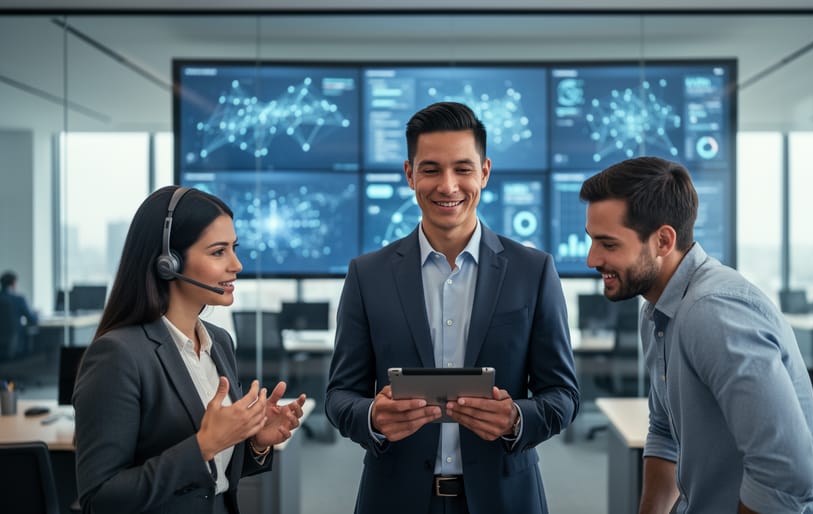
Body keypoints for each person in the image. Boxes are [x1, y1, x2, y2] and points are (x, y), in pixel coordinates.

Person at [326, 101, 579, 514]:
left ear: (485, 172)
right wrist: (372, 416)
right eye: (431, 169)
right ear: (410, 174)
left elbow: (564, 395)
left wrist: (516, 419)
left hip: (505, 499)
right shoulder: (367, 275)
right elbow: (339, 396)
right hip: (394, 499)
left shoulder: (532, 271)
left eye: (463, 169)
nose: (448, 186)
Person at [580, 157, 813, 514]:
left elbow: (785, 474)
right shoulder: (656, 312)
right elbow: (665, 432)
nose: (591, 259)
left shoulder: (712, 311)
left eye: (608, 244)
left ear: (663, 241)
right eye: (592, 241)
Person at [73, 186, 306, 514]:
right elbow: (100, 498)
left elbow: (211, 480)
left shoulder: (219, 342)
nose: (237, 264)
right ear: (168, 263)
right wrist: (203, 445)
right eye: (218, 252)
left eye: (234, 248)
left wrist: (253, 441)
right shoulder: (119, 355)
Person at [0, 270, 38, 360]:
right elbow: (32, 319)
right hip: (16, 345)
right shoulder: (18, 299)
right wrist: (37, 314)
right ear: (14, 283)